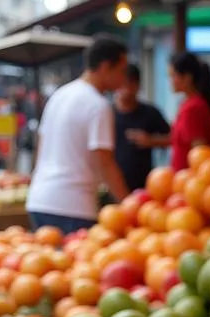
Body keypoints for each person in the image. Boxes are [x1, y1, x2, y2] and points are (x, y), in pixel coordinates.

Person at [25, 35, 130, 232]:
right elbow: (104, 163)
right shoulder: (98, 105)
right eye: (122, 70)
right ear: (106, 66)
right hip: (73, 207)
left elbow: (41, 147)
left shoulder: (59, 95)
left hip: (39, 200)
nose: (124, 78)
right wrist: (129, 206)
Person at [113, 62, 170, 191]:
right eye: (123, 84)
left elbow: (172, 138)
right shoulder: (107, 114)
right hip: (113, 185)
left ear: (138, 86)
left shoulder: (150, 113)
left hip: (144, 184)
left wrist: (151, 141)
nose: (126, 90)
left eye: (131, 84)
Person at [163, 52, 210, 171]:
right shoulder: (189, 105)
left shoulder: (193, 108)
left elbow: (199, 151)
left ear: (187, 78)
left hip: (189, 182)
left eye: (173, 76)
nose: (171, 81)